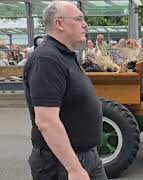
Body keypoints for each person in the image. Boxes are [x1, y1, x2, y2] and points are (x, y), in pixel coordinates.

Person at [23, 1, 108, 180]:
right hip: (61, 164)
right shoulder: (47, 59)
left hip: (87, 157)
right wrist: (74, 168)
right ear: (59, 24)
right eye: (79, 19)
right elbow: (47, 121)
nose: (85, 25)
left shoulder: (64, 55)